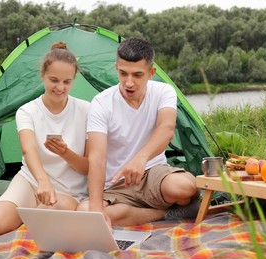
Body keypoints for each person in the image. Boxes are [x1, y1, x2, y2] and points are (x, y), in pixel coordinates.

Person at [77, 37, 200, 227]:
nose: (129, 83)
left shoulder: (164, 92)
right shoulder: (101, 103)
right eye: (123, 73)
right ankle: (162, 214)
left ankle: (143, 212)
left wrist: (141, 158)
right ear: (116, 67)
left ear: (151, 73)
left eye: (137, 75)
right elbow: (96, 157)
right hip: (116, 186)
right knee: (85, 212)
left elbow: (166, 129)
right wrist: (96, 208)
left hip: (153, 175)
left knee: (184, 187)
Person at [0, 41, 90, 237]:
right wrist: (42, 181)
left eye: (67, 81)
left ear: (74, 79)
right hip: (31, 182)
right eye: (54, 80)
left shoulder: (87, 110)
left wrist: (65, 153)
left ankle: (27, 216)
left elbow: (88, 167)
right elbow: (29, 150)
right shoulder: (27, 111)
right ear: (42, 75)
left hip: (67, 192)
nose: (60, 87)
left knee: (43, 222)